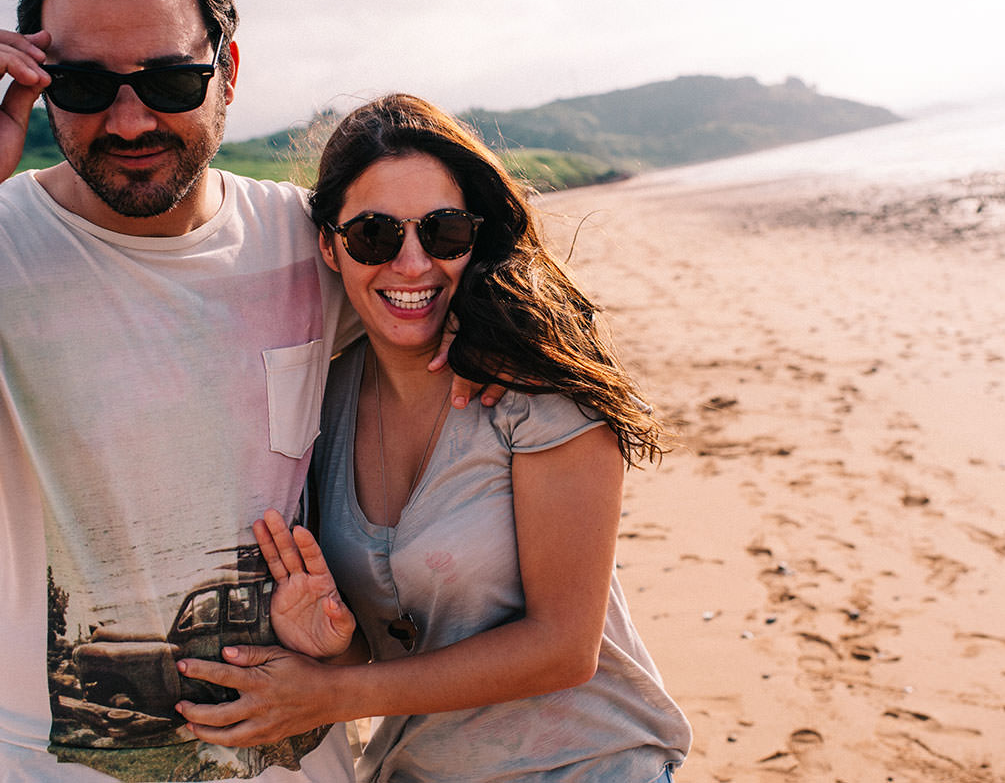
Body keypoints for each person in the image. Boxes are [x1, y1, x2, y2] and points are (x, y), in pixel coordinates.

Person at [0, 0, 493, 781]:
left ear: (227, 71)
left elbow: (453, 302)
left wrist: (494, 342)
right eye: (86, 85)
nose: (130, 121)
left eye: (169, 80)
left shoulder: (314, 245)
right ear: (36, 83)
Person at [175, 94, 693, 782]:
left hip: (589, 764)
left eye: (443, 232)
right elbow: (397, 642)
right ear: (330, 246)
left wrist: (330, 696)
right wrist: (337, 644)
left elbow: (565, 649)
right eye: (375, 236)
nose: (414, 263)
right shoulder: (320, 406)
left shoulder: (531, 380)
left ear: (474, 236)